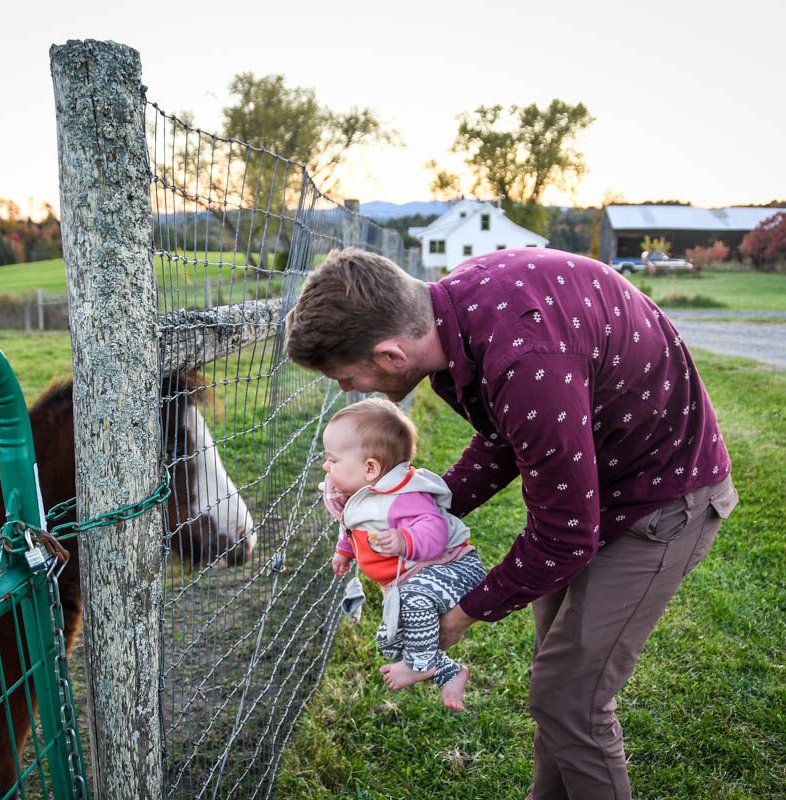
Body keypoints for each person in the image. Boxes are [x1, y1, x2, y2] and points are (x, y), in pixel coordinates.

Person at [287, 246, 739, 799]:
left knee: (571, 697)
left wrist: (464, 612)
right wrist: (407, 506)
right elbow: (507, 435)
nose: (346, 390)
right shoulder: (456, 313)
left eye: (344, 376)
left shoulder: (521, 357)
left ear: (390, 354)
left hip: (660, 499)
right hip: (596, 482)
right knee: (559, 685)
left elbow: (566, 534)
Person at [321, 397, 487, 712]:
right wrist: (345, 552)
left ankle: (421, 663)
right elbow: (351, 526)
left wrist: (404, 539)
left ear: (370, 468)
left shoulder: (403, 496)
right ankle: (447, 671)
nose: (325, 466)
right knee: (391, 641)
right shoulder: (358, 495)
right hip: (410, 581)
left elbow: (434, 531)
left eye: (332, 459)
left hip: (452, 570)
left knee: (415, 600)